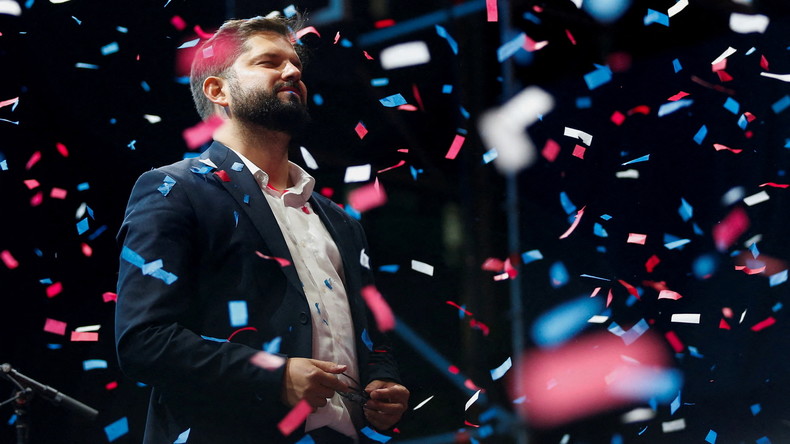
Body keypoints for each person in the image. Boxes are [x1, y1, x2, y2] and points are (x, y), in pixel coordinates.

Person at [114, 14, 409, 444]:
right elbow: (143, 341)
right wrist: (275, 374)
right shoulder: (174, 189)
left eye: (295, 65)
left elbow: (372, 338)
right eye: (269, 62)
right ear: (219, 90)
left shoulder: (340, 221)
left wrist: (384, 382)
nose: (292, 72)